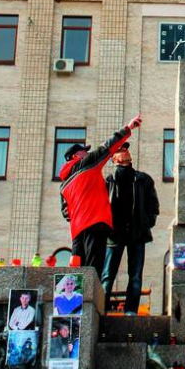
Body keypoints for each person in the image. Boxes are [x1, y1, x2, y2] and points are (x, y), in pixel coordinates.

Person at [59, 114, 142, 278]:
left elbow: (66, 212)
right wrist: (129, 128)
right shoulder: (87, 164)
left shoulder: (63, 184)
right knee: (93, 270)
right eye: (84, 152)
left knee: (77, 271)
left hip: (77, 232)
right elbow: (107, 147)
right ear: (77, 156)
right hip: (95, 224)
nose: (87, 153)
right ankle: (92, 303)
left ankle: (76, 302)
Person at [101, 141, 160, 315]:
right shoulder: (108, 181)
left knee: (135, 276)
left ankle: (131, 311)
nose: (124, 151)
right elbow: (102, 206)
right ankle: (100, 310)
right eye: (120, 149)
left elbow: (153, 205)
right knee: (107, 275)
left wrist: (146, 223)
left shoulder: (143, 179)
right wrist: (107, 228)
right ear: (114, 158)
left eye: (125, 148)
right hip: (114, 234)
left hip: (136, 234)